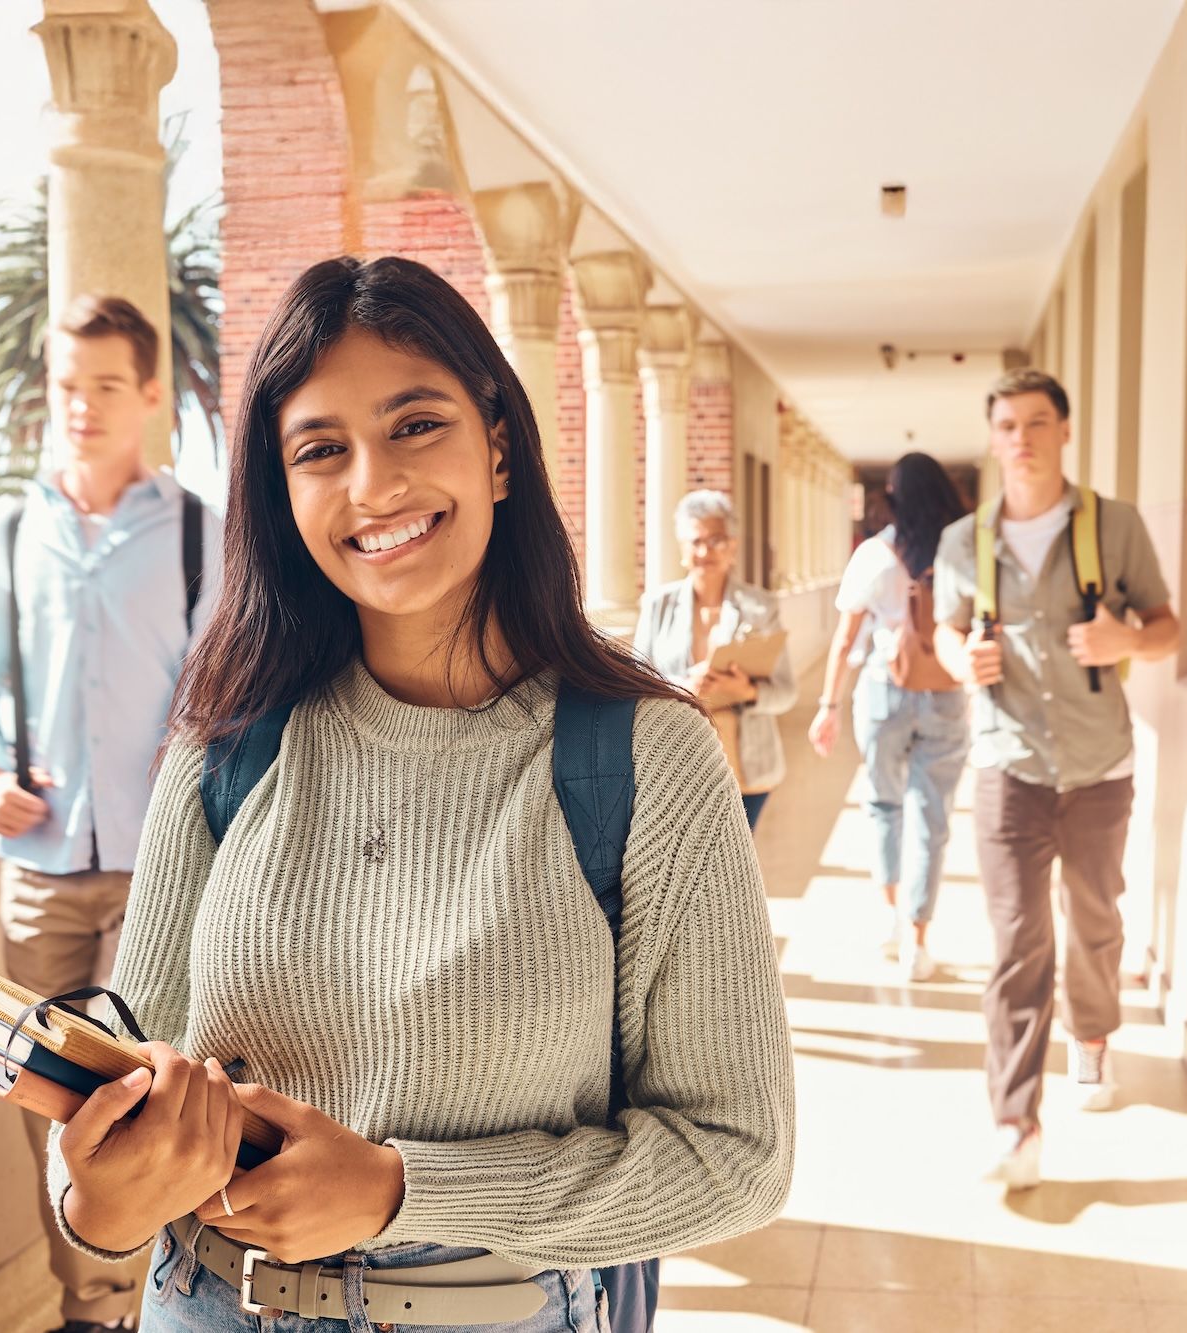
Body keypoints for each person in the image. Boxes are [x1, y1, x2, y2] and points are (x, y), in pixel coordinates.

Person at [40, 256, 795, 1332]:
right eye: (319, 450)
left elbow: (737, 1158)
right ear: (282, 490)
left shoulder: (644, 758)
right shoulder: (223, 747)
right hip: (202, 1301)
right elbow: (140, 1071)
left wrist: (401, 1190)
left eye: (414, 426)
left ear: (496, 447)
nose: (371, 486)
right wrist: (101, 1203)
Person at [0, 294, 223, 1333]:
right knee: (47, 1099)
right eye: (67, 387)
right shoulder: (5, 532)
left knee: (151, 1092)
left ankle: (168, 1297)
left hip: (165, 870)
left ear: (149, 395)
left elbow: (221, 686)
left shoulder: (199, 530)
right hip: (41, 868)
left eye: (106, 385)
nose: (83, 406)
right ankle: (92, 1308)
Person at [931, 369, 1178, 1190]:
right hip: (1009, 766)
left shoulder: (1115, 527)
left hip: (1100, 765)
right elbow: (944, 629)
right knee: (1017, 941)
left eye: (1038, 423)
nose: (1023, 439)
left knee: (1095, 917)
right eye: (1008, 425)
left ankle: (1096, 1031)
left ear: (1064, 432)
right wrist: (958, 657)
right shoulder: (966, 541)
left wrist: (1127, 643)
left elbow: (1168, 626)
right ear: (994, 438)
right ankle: (1016, 1123)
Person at [807, 453, 971, 982]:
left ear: (894, 497)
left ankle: (890, 916)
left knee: (883, 804)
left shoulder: (875, 555)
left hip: (883, 693)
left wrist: (828, 705)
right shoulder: (959, 551)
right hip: (946, 691)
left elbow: (845, 639)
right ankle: (919, 943)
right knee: (932, 817)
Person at [632, 489, 799, 828]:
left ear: (733, 546)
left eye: (717, 540)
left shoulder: (761, 607)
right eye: (696, 541)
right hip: (677, 762)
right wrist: (680, 686)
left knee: (738, 868)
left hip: (746, 763)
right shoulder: (657, 605)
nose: (705, 550)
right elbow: (635, 683)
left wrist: (747, 692)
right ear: (683, 548)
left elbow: (787, 692)